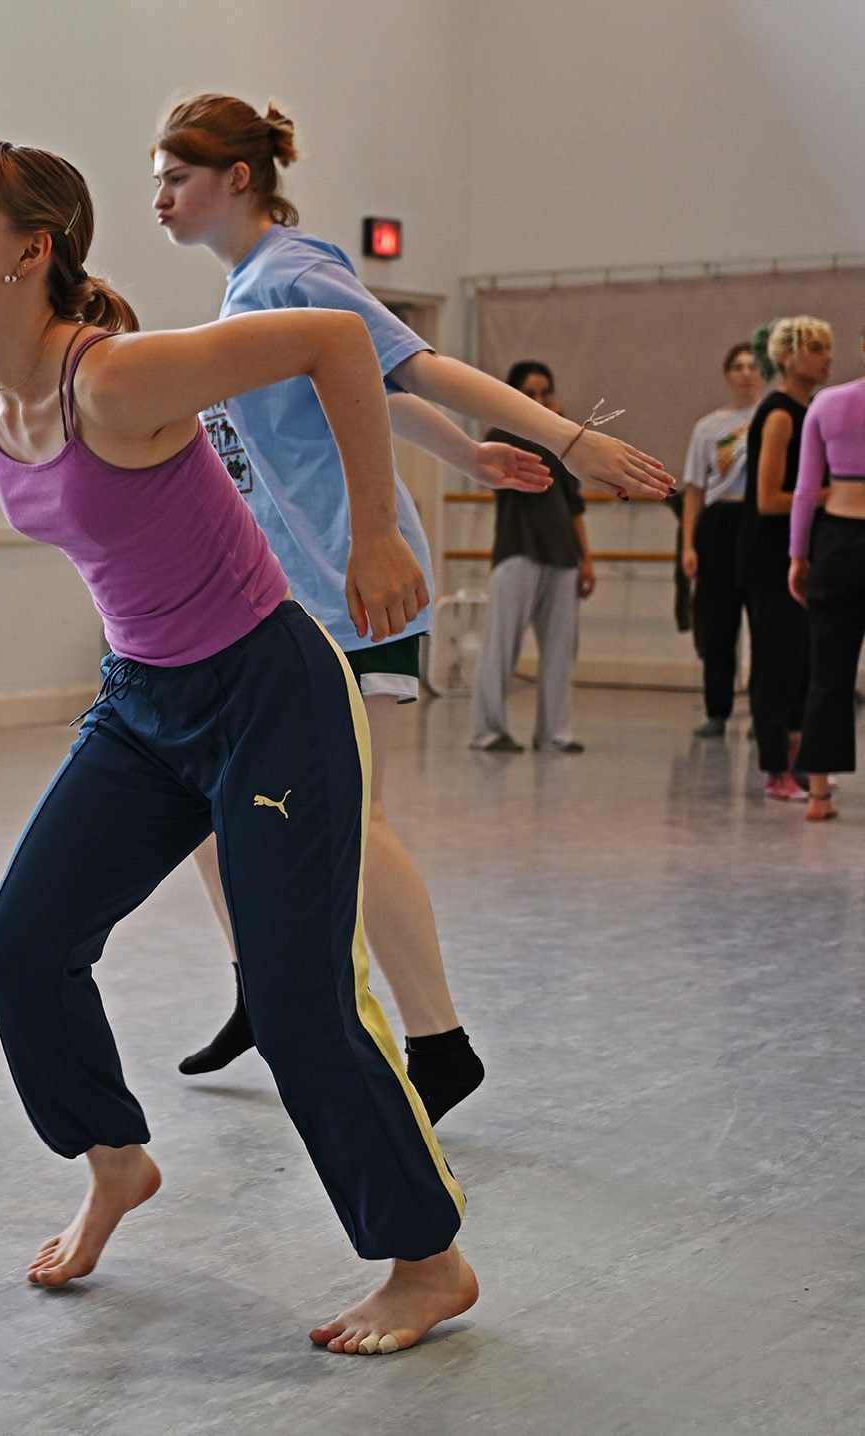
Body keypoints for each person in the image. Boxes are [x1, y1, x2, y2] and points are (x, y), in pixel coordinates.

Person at [0, 138, 474, 1356]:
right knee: (25, 944)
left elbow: (335, 344)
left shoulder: (115, 380)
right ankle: (116, 1160)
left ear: (32, 250)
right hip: (143, 704)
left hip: (271, 691)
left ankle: (426, 1260)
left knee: (295, 1001)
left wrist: (373, 536)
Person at [147, 94, 670, 1117]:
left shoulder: (295, 268)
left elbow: (412, 360)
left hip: (363, 591)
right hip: (285, 598)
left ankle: (441, 1045)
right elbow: (362, 393)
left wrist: (568, 440)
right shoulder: (250, 290)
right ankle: (262, 985)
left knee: (359, 819)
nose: (159, 197)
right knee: (201, 803)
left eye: (175, 176)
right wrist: (465, 452)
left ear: (237, 178)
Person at [470, 361, 595, 754]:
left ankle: (554, 734)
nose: (539, 400)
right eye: (529, 393)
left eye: (545, 392)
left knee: (561, 651)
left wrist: (586, 559)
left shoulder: (562, 445)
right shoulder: (502, 436)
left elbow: (574, 507)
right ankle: (489, 731)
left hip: (562, 556)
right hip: (517, 551)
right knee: (501, 646)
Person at [743, 316, 833, 802]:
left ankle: (797, 762)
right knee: (776, 667)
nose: (827, 357)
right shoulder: (778, 414)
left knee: (802, 667)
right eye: (816, 348)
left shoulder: (813, 410)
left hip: (801, 555)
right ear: (787, 357)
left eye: (828, 348)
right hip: (770, 560)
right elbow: (769, 499)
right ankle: (775, 768)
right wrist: (832, 495)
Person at [787, 323, 865, 821]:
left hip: (836, 544)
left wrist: (798, 556)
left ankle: (819, 796)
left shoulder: (828, 403)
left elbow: (803, 489)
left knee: (828, 675)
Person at [682, 344, 765, 738]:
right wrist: (689, 546)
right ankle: (718, 710)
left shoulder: (778, 417)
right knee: (718, 622)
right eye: (738, 366)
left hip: (763, 521)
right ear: (727, 374)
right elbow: (695, 491)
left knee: (766, 621)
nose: (746, 373)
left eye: (753, 366)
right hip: (718, 525)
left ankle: (766, 710)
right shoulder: (708, 428)